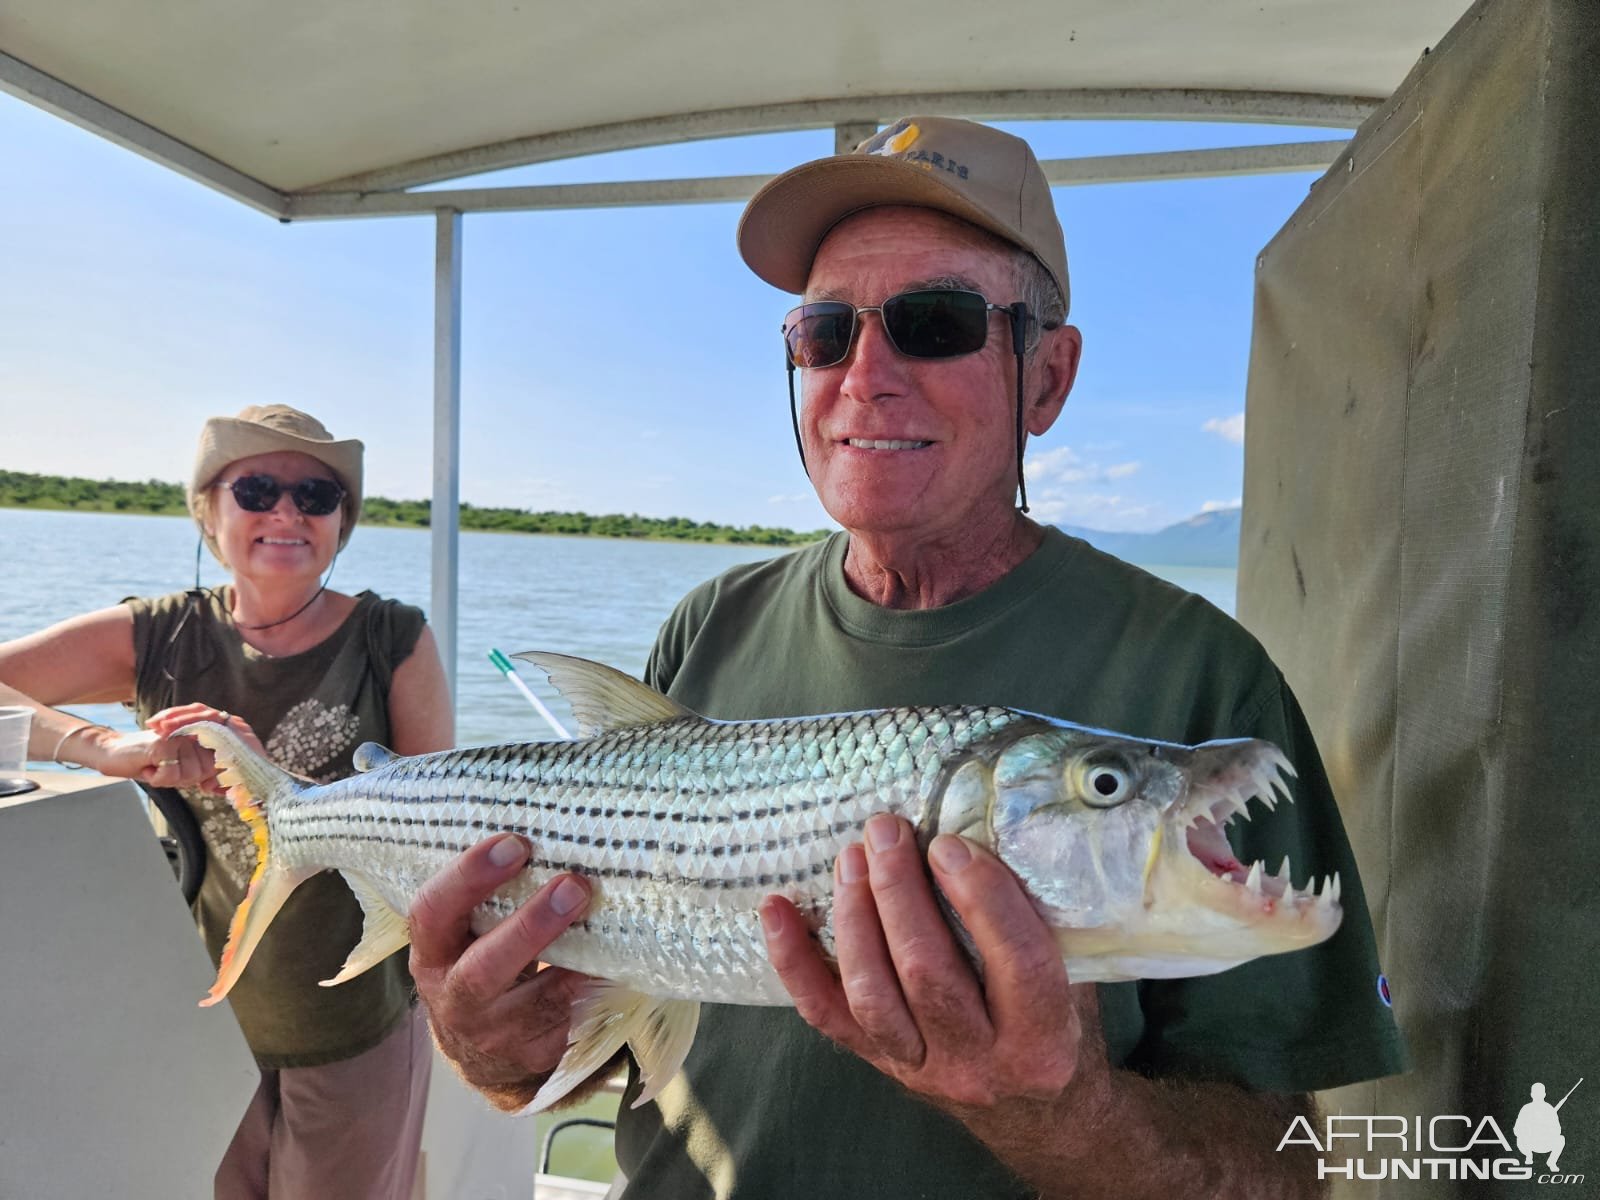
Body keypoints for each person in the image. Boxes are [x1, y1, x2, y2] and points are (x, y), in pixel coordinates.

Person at [407, 117, 1407, 1197]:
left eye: (936, 323)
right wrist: (502, 1052)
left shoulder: (1199, 671)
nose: (865, 375)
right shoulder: (708, 622)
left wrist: (1067, 1119)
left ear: (1048, 379)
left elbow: (1286, 1175)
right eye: (824, 332)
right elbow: (616, 1036)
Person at [0, 404, 453, 1200]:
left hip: (357, 1015)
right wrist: (107, 748)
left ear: (342, 521)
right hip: (200, 1012)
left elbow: (438, 833)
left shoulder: (393, 637)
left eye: (317, 495)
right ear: (208, 507)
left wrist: (261, 772)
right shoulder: (161, 635)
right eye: (258, 488)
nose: (287, 512)